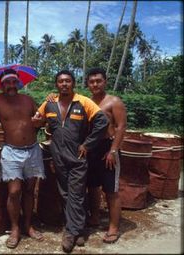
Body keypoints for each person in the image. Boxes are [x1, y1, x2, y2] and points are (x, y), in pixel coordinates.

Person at [34, 70, 108, 253]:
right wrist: (35, 120)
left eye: (68, 81)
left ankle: (70, 232)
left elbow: (102, 121)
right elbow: (37, 121)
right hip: (58, 156)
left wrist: (88, 144)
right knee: (66, 192)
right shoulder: (49, 103)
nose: (64, 84)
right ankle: (79, 229)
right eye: (60, 81)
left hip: (78, 157)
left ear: (73, 83)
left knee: (76, 192)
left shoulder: (83, 102)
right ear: (56, 84)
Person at [0, 68, 45, 249]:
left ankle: (28, 225)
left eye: (14, 82)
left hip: (33, 150)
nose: (11, 86)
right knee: (14, 191)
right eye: (7, 83)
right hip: (11, 151)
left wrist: (39, 121)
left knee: (29, 190)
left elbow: (40, 119)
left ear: (18, 83)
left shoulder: (27, 100)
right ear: (2, 85)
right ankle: (14, 227)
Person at [85, 67, 127, 244]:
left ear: (105, 82)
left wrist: (113, 150)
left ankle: (113, 227)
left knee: (111, 190)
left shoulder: (114, 102)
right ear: (88, 84)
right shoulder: (86, 102)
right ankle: (94, 217)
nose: (95, 84)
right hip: (92, 148)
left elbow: (120, 127)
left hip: (109, 148)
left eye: (98, 81)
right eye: (92, 81)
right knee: (92, 186)